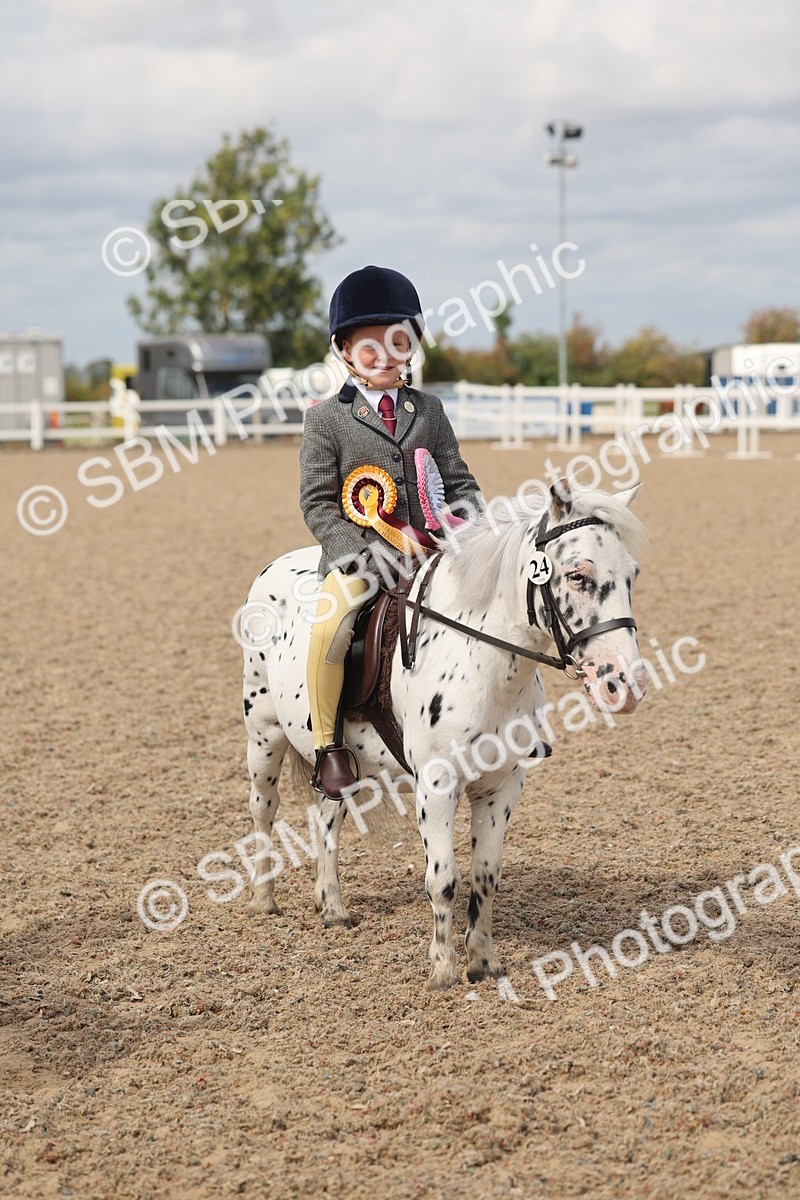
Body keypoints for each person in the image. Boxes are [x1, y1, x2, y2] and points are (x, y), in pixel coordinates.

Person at [299, 264, 483, 801]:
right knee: (331, 627)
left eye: (397, 343)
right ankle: (328, 744)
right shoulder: (325, 421)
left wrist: (463, 527)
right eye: (369, 346)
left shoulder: (429, 409)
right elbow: (316, 503)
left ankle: (508, 721)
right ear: (344, 351)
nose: (384, 357)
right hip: (364, 557)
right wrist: (358, 556)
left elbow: (460, 481)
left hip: (433, 552)